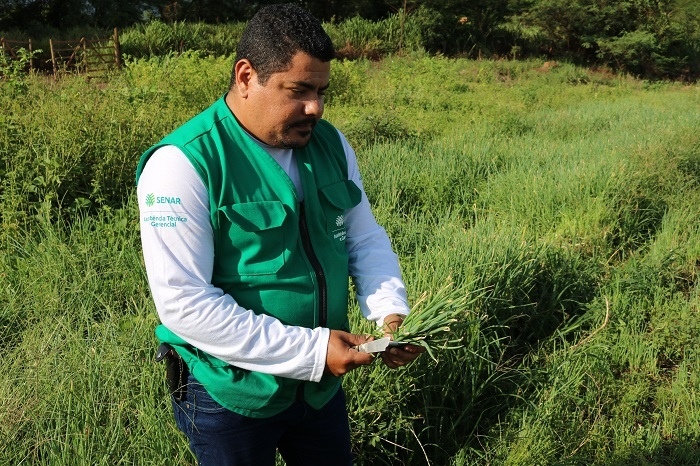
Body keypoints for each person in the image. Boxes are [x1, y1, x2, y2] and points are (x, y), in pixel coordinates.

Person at [136, 4, 423, 465]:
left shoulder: (330, 143)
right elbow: (184, 303)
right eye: (299, 90)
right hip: (230, 394)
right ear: (247, 77)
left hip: (318, 391)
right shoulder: (183, 165)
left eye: (322, 91)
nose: (316, 107)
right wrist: (311, 350)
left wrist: (388, 311)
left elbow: (363, 237)